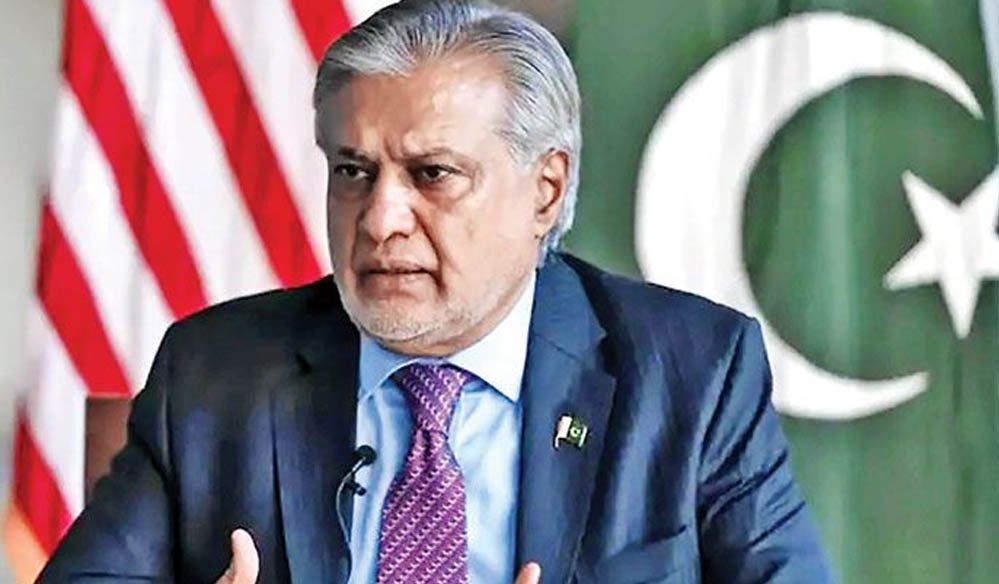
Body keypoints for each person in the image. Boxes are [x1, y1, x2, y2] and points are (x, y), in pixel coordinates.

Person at [38, 1, 836, 582]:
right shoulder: (218, 372)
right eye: (354, 171)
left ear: (545, 191)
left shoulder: (692, 374)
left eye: (432, 175)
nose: (380, 218)